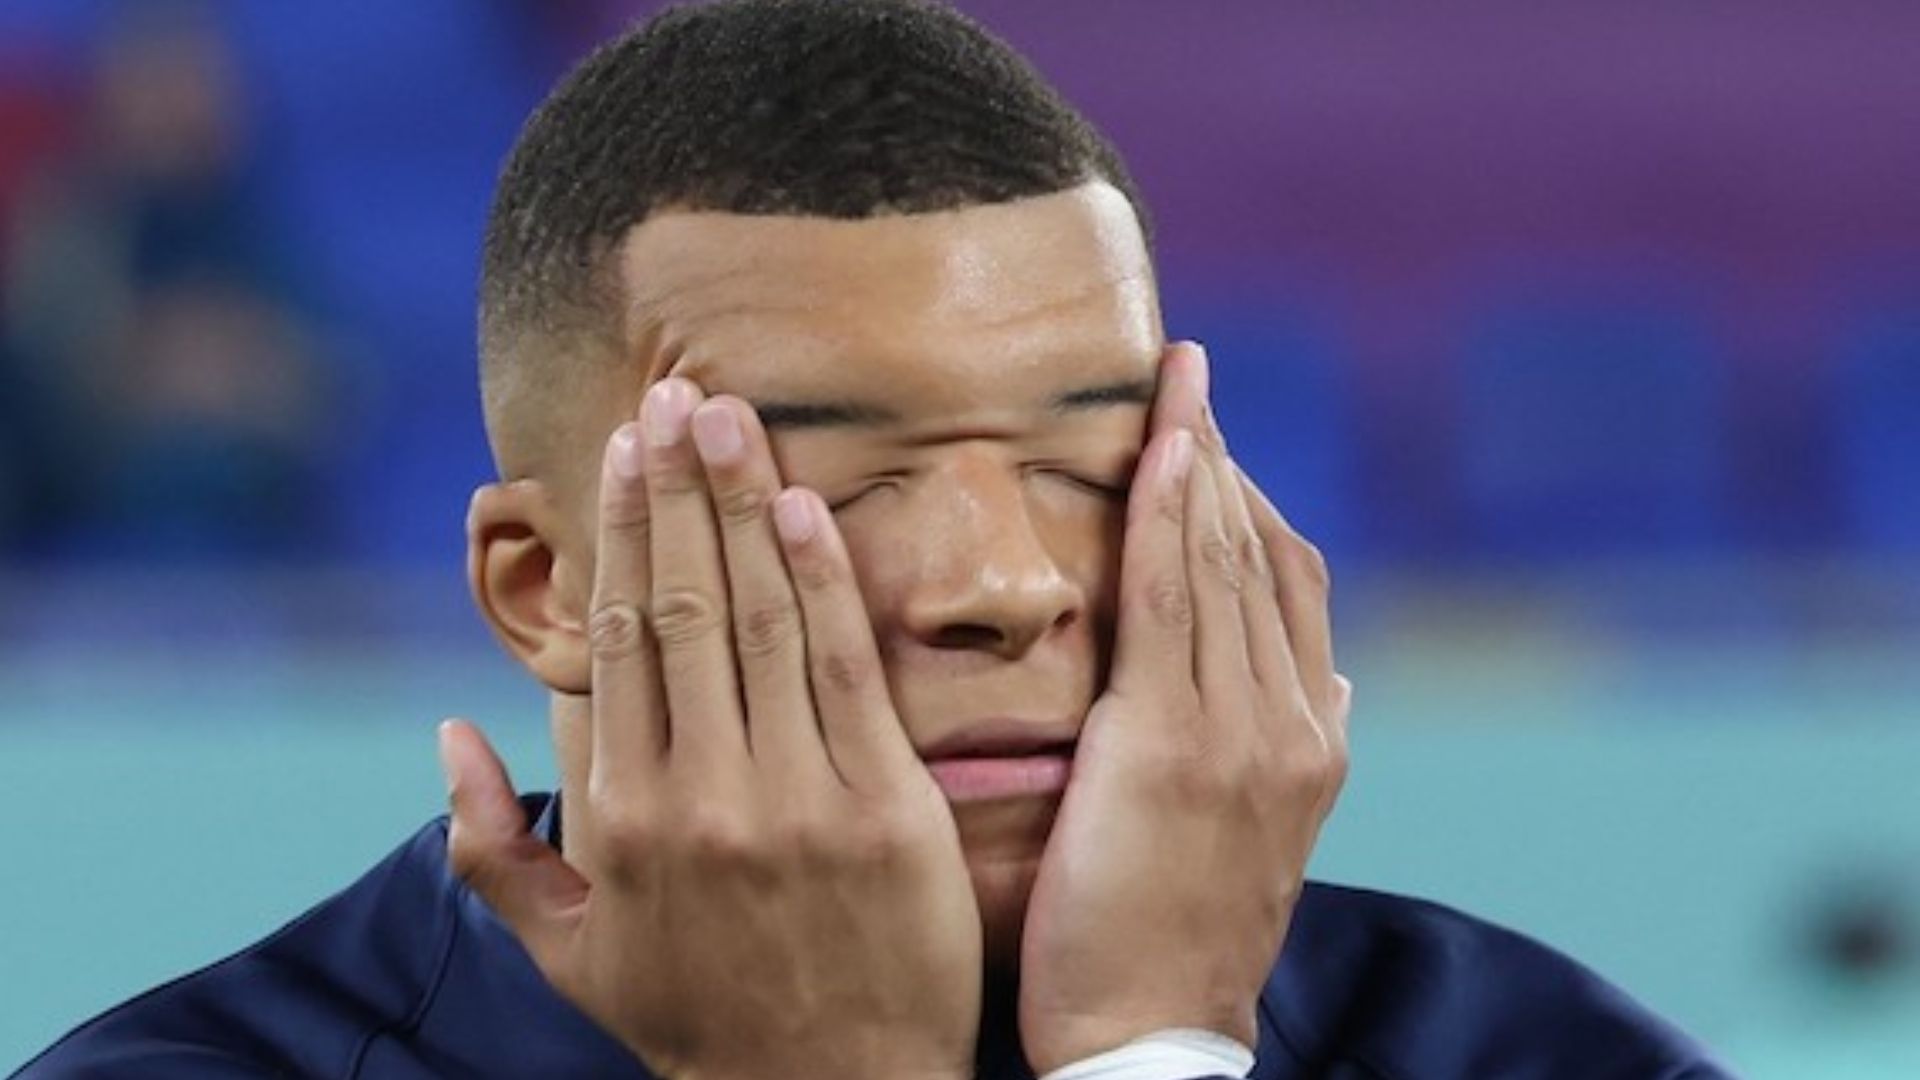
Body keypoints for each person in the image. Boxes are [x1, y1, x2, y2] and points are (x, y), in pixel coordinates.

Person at [15, 1, 1733, 1077]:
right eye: (826, 485)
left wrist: (1155, 1056)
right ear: (543, 591)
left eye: (1091, 459)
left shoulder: (1543, 1057)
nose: (1008, 583)